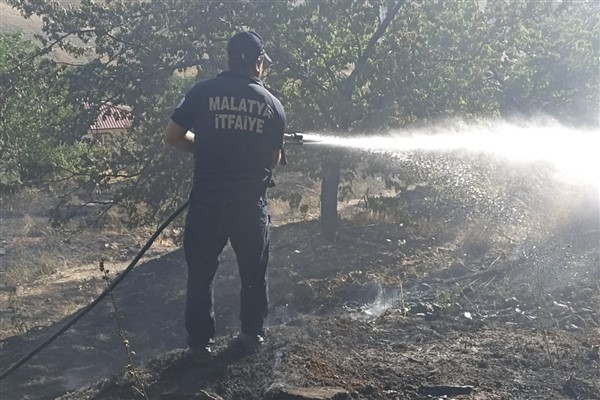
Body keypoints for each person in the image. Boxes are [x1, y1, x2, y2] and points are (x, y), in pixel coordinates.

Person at [164, 31, 286, 358]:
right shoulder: (273, 105)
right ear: (259, 62)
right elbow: (272, 160)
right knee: (252, 272)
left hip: (207, 203)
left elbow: (173, 136)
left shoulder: (202, 93)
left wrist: (204, 146)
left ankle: (199, 345)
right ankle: (250, 336)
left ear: (231, 58)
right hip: (249, 206)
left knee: (201, 273)